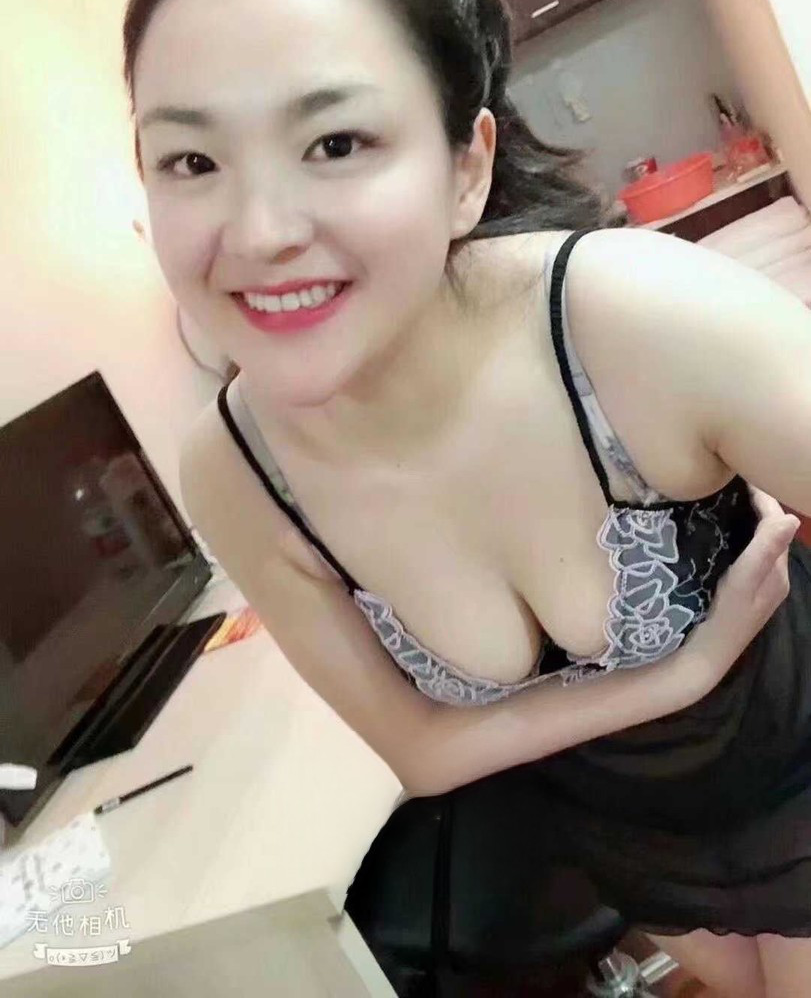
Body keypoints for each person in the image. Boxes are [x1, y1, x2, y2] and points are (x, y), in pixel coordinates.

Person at [122, 0, 811, 993]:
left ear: (465, 169)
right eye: (191, 160)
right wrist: (684, 670)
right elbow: (423, 754)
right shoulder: (234, 476)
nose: (261, 233)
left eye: (336, 142)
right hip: (622, 841)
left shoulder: (635, 316)